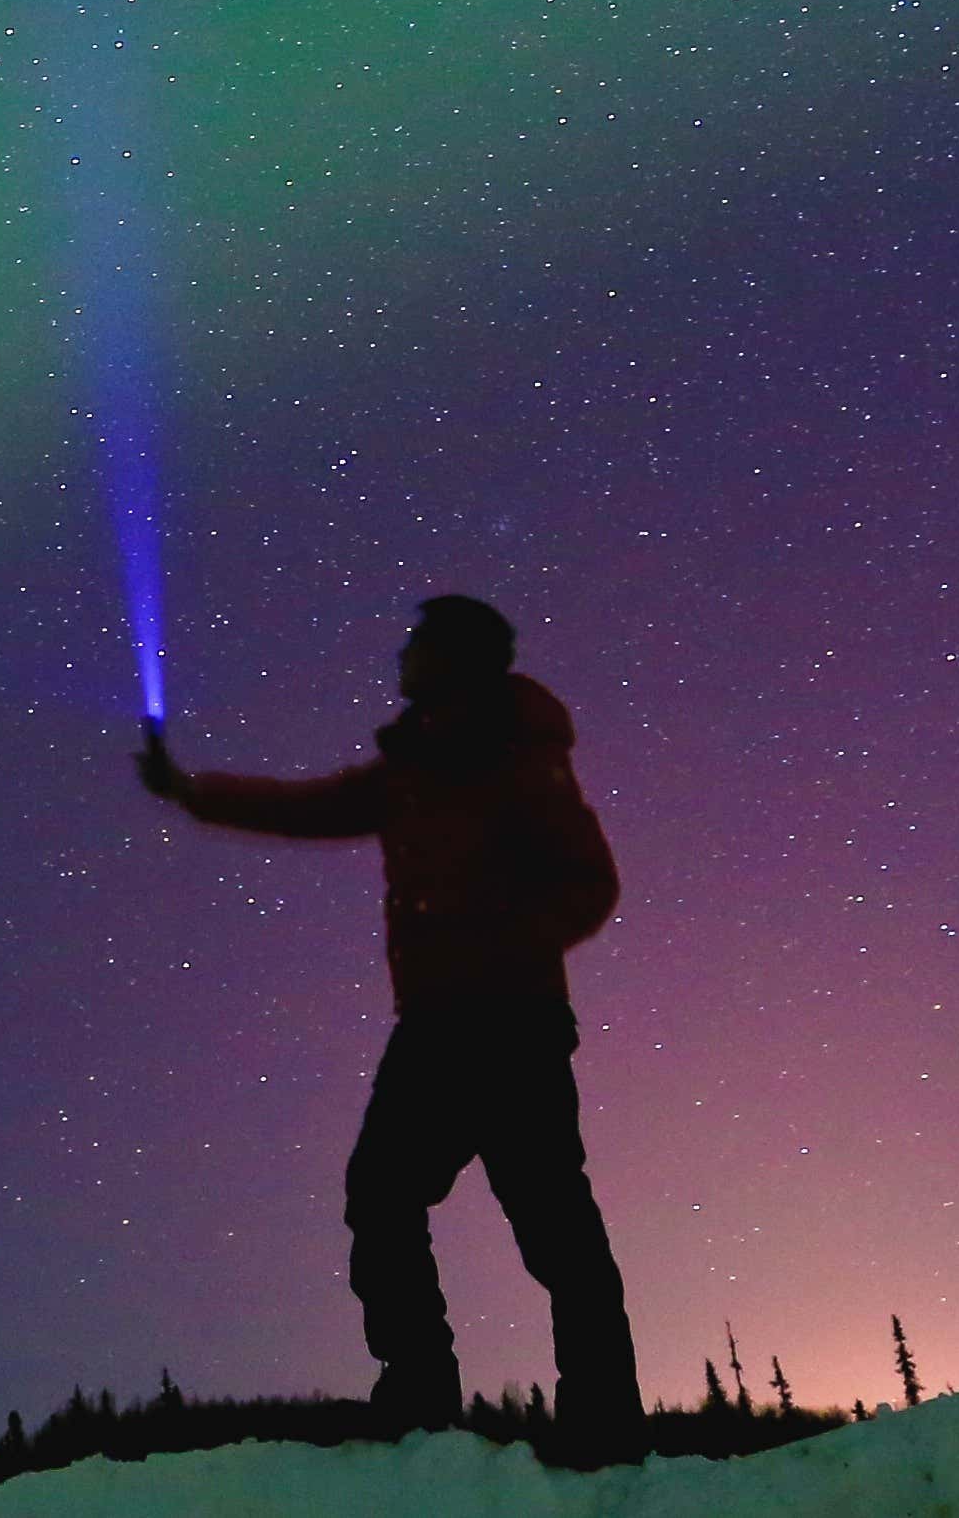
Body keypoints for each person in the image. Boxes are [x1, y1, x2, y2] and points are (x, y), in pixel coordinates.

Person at [138, 593, 640, 1461]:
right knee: (382, 1192)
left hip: (513, 1019)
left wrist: (502, 943)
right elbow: (309, 806)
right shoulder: (409, 768)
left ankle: (602, 1424)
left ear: (453, 659)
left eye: (416, 644)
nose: (399, 657)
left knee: (550, 1218)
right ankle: (419, 1404)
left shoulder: (520, 758)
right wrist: (192, 791)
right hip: (434, 1028)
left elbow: (590, 882)